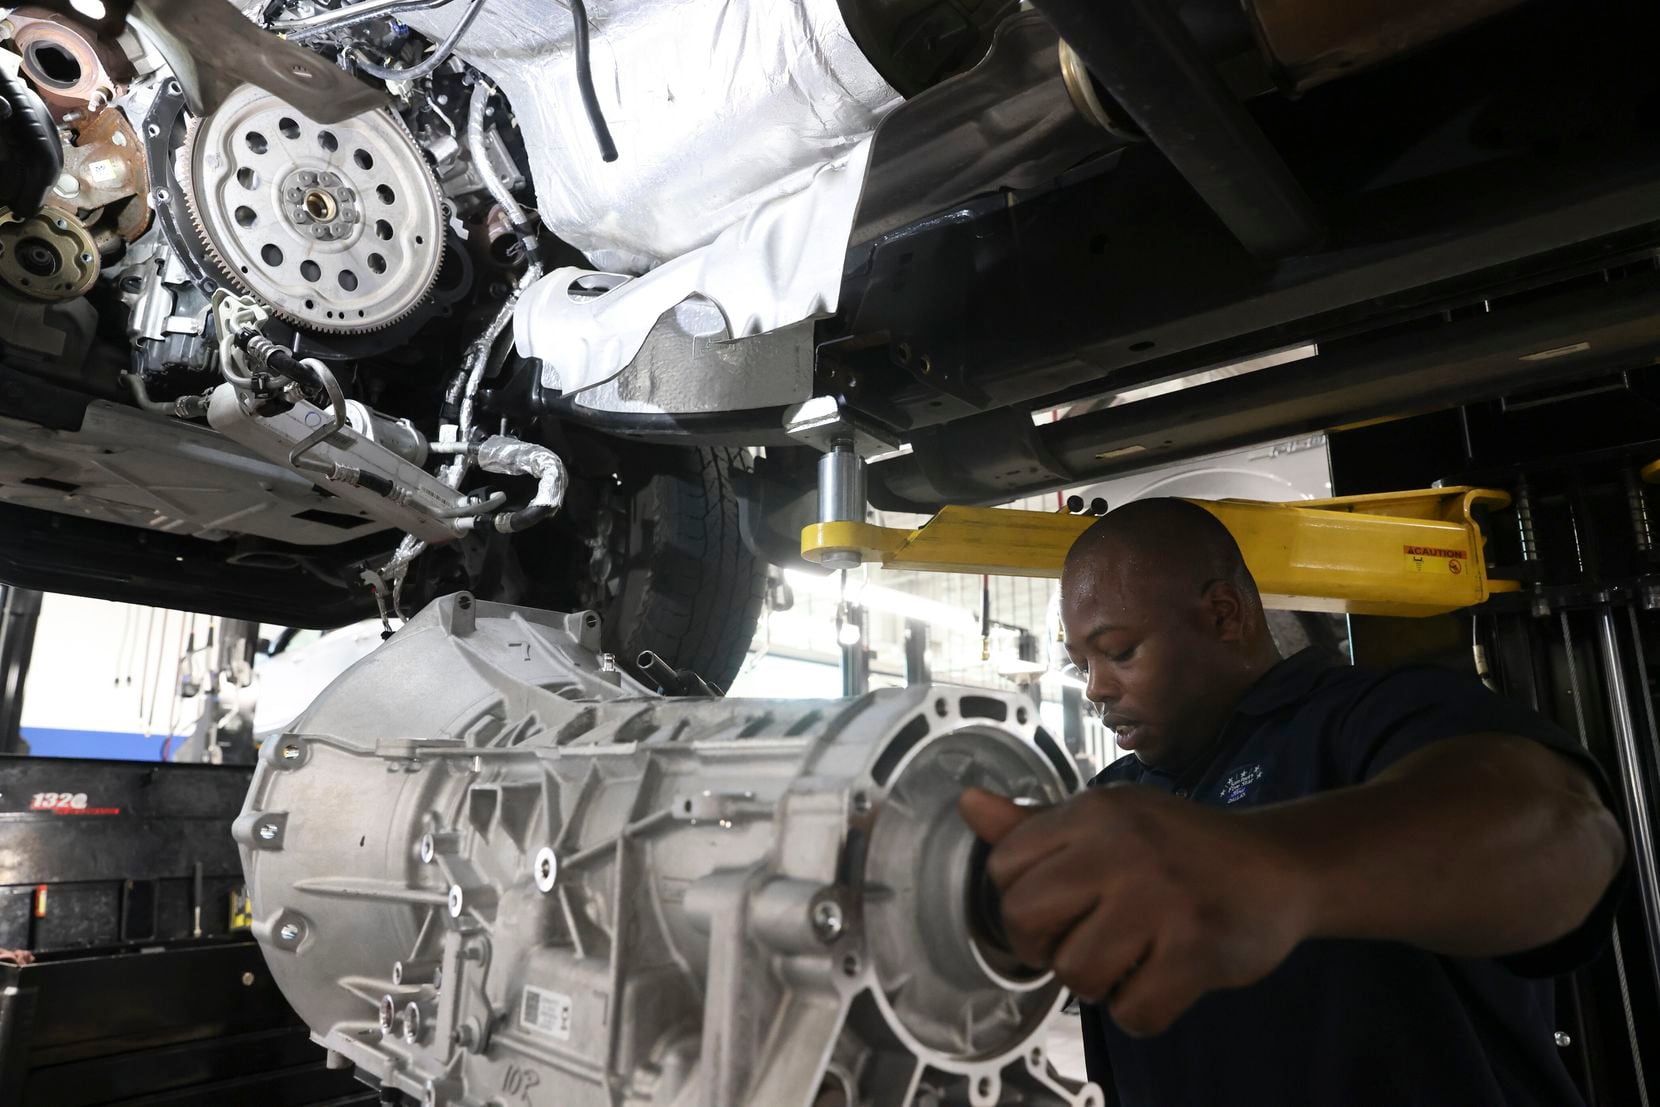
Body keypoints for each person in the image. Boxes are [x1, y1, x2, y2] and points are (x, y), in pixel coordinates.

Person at [958, 497, 1627, 1106]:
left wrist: (1280, 869)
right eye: (1082, 664)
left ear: (1224, 614)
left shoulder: (1363, 718)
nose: (1096, 688)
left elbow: (1568, 829)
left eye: (1119, 652)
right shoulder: (1115, 802)